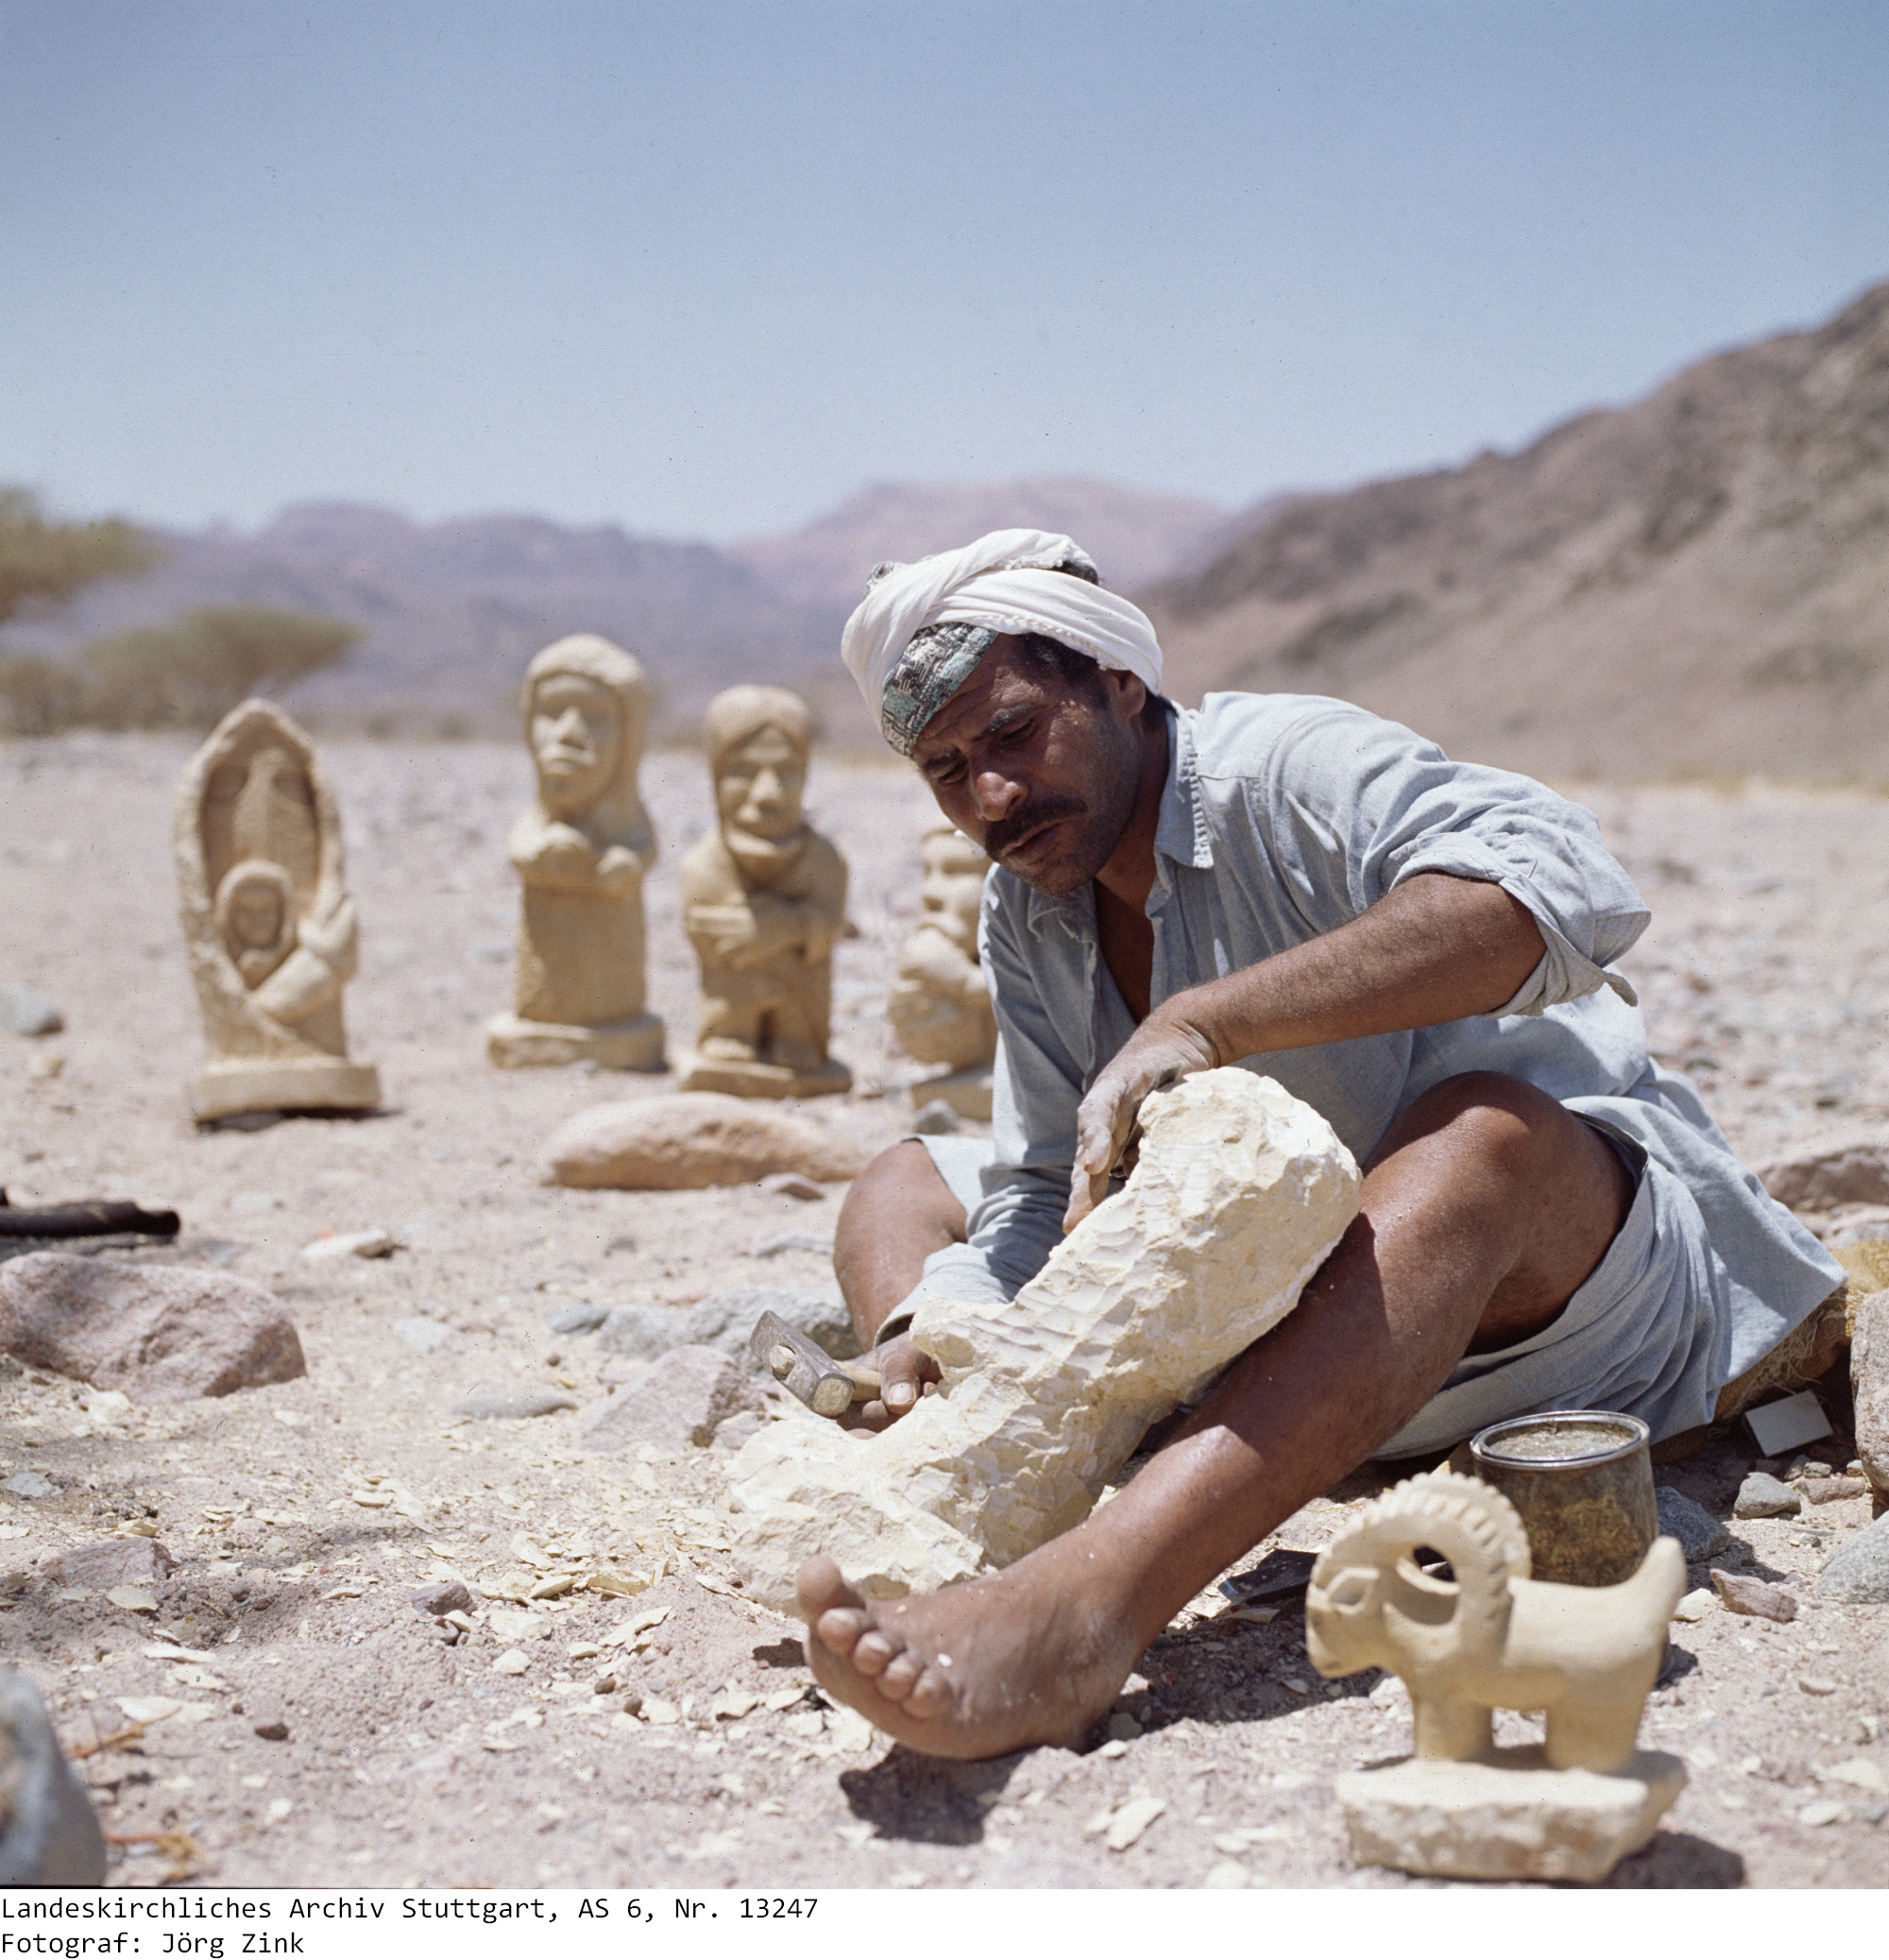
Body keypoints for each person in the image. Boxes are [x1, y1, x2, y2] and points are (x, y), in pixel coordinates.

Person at [797, 526, 1842, 1762]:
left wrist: (1209, 1019)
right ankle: (952, 1463)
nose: (992, 798)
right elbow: (1034, 1179)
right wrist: (946, 1324)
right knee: (904, 1181)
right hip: (1269, 1318)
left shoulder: (1281, 769)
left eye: (1015, 732)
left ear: (1118, 681)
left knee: (1479, 1136)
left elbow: (1560, 889)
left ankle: (1088, 1610)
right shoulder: (1029, 902)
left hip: (1540, 1301)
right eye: (947, 769)